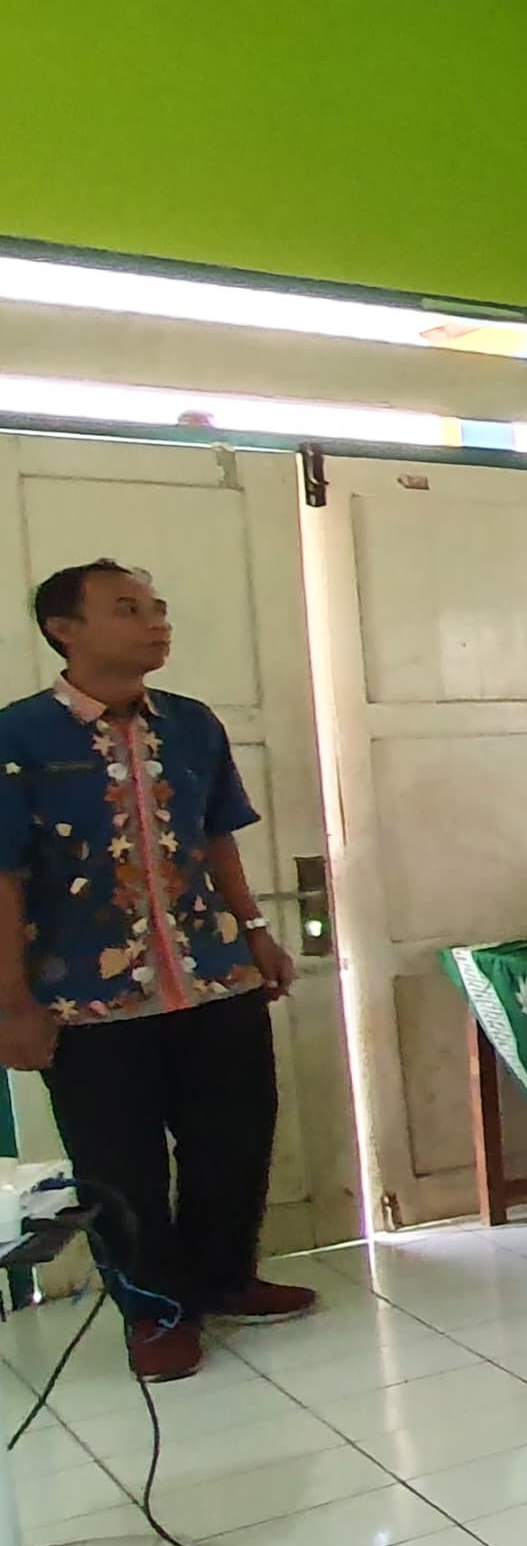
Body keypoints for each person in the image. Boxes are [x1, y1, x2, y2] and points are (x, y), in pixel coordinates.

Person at [0, 559, 311, 1380]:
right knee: (120, 1167)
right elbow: (5, 876)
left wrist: (254, 934)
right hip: (91, 999)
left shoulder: (191, 725)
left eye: (158, 608)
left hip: (211, 976)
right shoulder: (19, 738)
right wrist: (12, 1002)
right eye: (128, 609)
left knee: (234, 1142)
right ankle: (156, 1314)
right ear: (65, 629)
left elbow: (218, 840)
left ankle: (223, 1279)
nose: (155, 623)